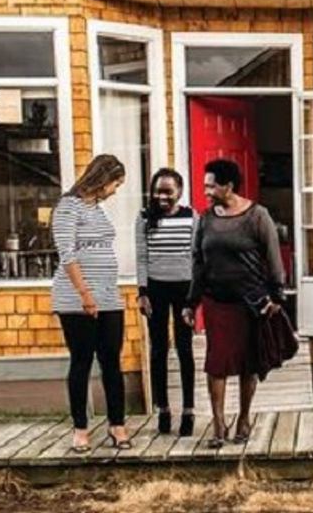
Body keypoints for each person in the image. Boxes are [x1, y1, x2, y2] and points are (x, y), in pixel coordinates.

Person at [182, 157, 286, 447]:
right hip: (217, 301)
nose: (205, 191)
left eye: (211, 186)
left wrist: (277, 295)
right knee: (217, 363)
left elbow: (273, 257)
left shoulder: (257, 216)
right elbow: (198, 262)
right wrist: (191, 302)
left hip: (250, 302)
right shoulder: (206, 219)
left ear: (228, 186)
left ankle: (243, 416)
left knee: (247, 362)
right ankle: (218, 422)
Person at [50, 152, 131, 453]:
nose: (115, 191)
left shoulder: (96, 208)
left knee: (112, 360)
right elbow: (67, 254)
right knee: (82, 360)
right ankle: (81, 428)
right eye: (115, 184)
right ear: (102, 179)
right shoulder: (67, 207)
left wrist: (104, 292)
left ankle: (117, 424)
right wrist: (85, 295)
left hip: (108, 295)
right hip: (76, 297)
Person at [135, 166, 197, 436]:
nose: (162, 197)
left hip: (184, 290)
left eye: (168, 192)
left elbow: (197, 259)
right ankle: (163, 409)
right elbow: (141, 258)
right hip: (155, 290)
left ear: (179, 192)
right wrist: (142, 292)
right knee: (158, 349)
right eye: (158, 191)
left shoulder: (192, 216)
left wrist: (193, 301)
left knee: (185, 349)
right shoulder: (144, 217)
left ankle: (188, 411)